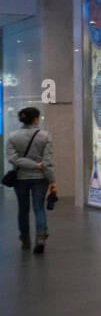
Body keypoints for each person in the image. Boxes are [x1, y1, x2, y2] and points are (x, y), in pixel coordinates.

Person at [6, 106, 56, 253]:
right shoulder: (45, 136)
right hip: (40, 178)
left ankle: (25, 239)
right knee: (39, 208)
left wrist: (29, 164)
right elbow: (47, 163)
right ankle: (40, 238)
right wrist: (52, 181)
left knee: (23, 209)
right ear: (35, 119)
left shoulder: (12, 136)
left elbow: (13, 159)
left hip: (20, 178)